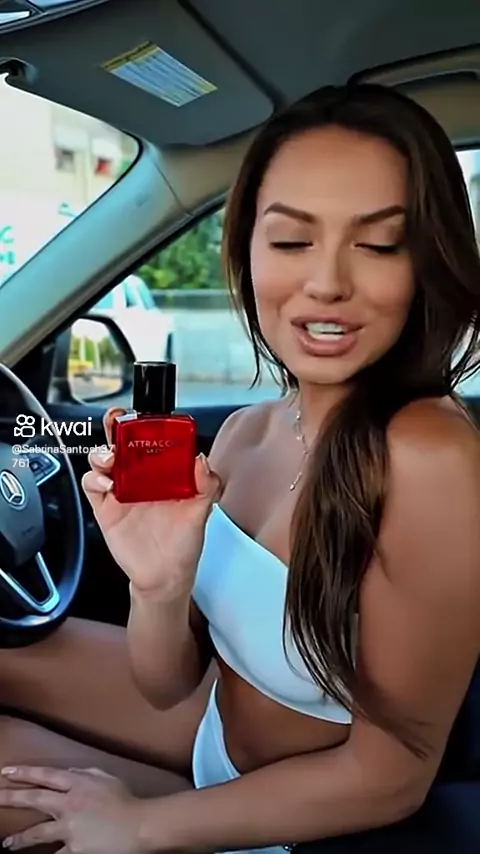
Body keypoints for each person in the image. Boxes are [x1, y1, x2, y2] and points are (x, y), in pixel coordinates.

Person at [0, 82, 480, 854]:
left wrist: (138, 825)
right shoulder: (248, 432)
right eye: (291, 241)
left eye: (378, 244)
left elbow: (395, 772)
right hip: (207, 731)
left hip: (288, 823)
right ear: (247, 248)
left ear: (426, 261)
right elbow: (169, 683)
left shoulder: (430, 459)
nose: (327, 282)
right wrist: (158, 589)